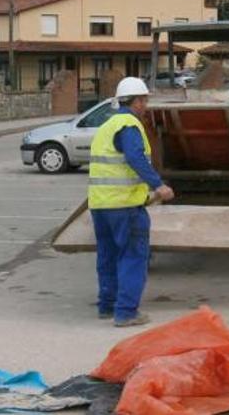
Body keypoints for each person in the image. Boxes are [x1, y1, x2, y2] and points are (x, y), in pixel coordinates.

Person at [88, 77, 174, 327]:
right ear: (136, 102)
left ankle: (107, 306)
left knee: (107, 256)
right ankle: (126, 313)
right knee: (133, 257)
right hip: (125, 207)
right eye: (144, 100)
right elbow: (135, 157)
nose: (146, 105)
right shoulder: (128, 125)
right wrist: (158, 185)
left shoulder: (108, 125)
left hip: (100, 206)